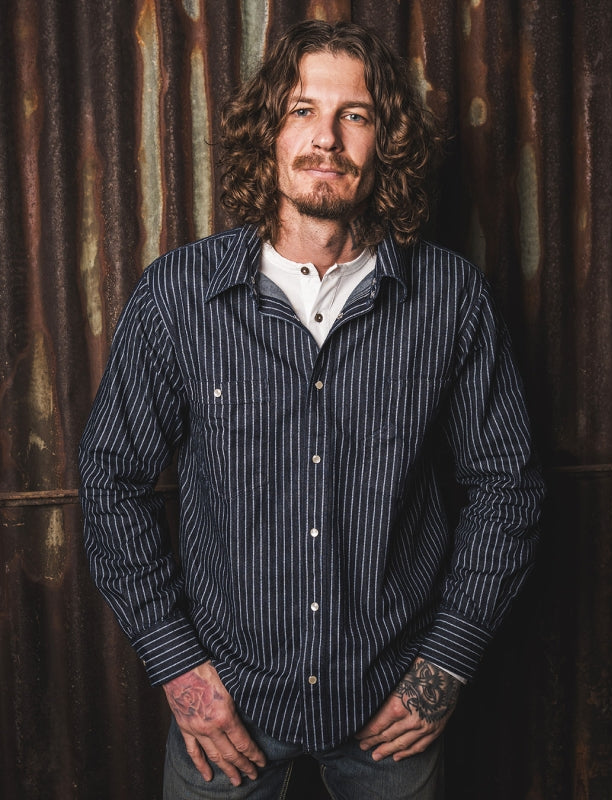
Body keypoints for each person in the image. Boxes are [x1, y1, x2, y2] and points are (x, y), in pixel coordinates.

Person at [79, 19, 545, 799]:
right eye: (301, 110)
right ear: (269, 131)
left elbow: (507, 488)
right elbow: (110, 479)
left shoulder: (452, 299)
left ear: (384, 139)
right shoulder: (178, 298)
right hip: (226, 710)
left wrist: (446, 663)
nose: (325, 137)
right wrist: (176, 665)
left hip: (392, 709)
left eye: (353, 115)